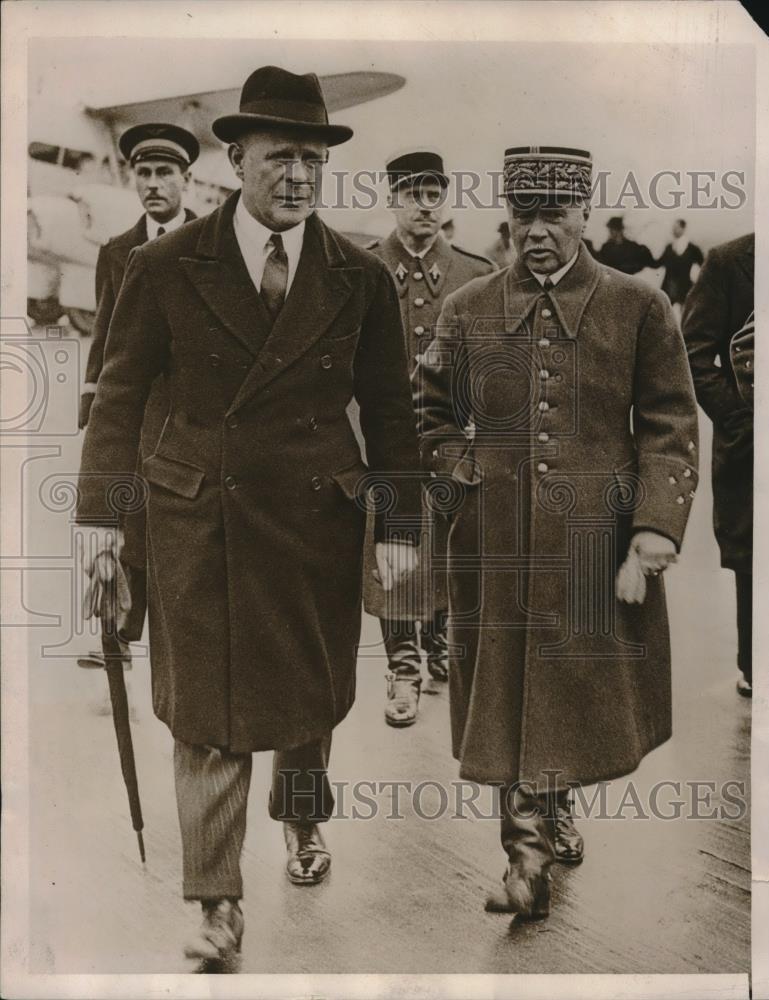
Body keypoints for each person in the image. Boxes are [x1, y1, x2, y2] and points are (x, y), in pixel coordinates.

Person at [76, 65, 420, 964]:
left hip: (314, 521)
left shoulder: (359, 278)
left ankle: (303, 821)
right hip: (198, 520)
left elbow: (390, 412)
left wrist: (401, 528)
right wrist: (105, 522)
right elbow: (117, 398)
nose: (299, 177)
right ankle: (217, 904)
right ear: (238, 159)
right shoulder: (162, 265)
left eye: (313, 159)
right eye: (281, 158)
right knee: (207, 713)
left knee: (306, 702)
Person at [414, 145, 699, 920]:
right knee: (505, 692)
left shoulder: (640, 307)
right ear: (509, 217)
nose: (539, 231)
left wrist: (652, 532)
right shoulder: (466, 308)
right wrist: (458, 466)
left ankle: (555, 804)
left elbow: (670, 424)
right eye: (525, 215)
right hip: (494, 543)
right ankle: (523, 860)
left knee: (570, 689)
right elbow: (431, 414)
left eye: (555, 214)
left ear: (583, 215)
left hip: (595, 542)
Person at [364, 151, 494, 727]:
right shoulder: (361, 267)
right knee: (391, 547)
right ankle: (402, 665)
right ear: (391, 199)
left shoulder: (477, 272)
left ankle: (438, 641)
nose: (423, 203)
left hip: (453, 436)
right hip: (382, 437)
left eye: (433, 192)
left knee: (446, 542)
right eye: (411, 192)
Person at [77, 123, 199, 687]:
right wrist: (92, 399)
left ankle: (181, 643)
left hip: (190, 409)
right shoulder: (117, 251)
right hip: (137, 407)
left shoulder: (210, 243)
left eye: (164, 174)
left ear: (186, 180)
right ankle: (119, 635)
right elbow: (104, 329)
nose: (153, 184)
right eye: (144, 174)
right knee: (126, 514)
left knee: (180, 521)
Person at [682, 234, 754, 697]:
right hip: (754, 443)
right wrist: (736, 415)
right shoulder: (730, 261)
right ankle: (756, 662)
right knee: (756, 552)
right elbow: (693, 351)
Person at [656, 219, 704, 317]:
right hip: (669, 286)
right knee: (664, 313)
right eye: (673, 228)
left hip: (685, 285)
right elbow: (657, 263)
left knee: (686, 314)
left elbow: (703, 265)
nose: (673, 231)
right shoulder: (669, 247)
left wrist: (699, 283)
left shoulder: (693, 249)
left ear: (683, 229)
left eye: (676, 228)